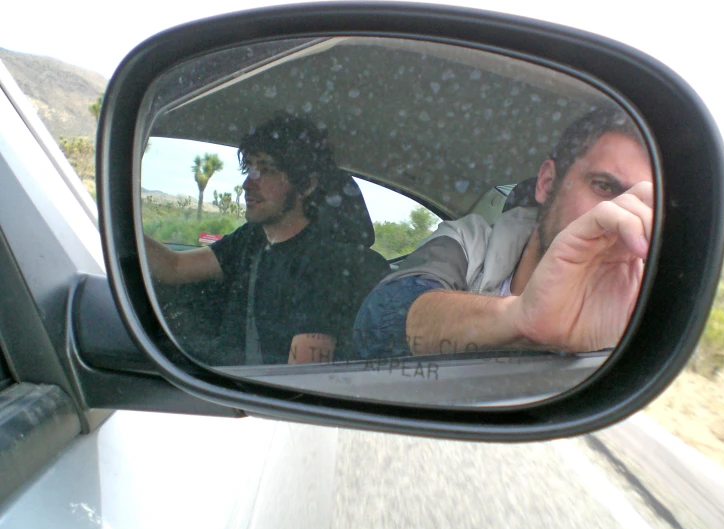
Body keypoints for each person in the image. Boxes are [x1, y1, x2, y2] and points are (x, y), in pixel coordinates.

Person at [354, 107, 653, 359]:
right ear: (547, 182)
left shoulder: (633, 305)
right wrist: (520, 318)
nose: (619, 219)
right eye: (604, 186)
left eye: (642, 206)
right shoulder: (470, 244)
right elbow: (380, 319)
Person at [146, 112, 389, 365]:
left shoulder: (326, 264)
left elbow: (301, 380)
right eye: (249, 168)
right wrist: (118, 216)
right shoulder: (252, 239)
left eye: (266, 170)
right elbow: (174, 267)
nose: (247, 184)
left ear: (306, 184)